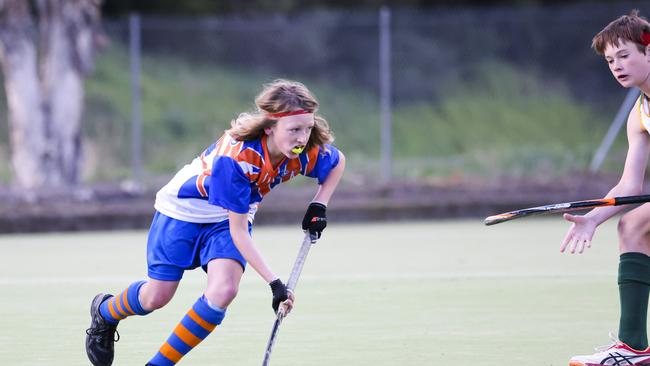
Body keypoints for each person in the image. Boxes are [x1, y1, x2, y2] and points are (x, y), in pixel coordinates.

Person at [84, 79, 346, 366]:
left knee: (223, 290)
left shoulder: (300, 152)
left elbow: (336, 162)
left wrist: (319, 204)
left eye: (307, 129)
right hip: (182, 213)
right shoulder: (236, 160)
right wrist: (275, 284)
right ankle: (105, 312)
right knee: (156, 297)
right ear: (270, 127)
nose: (302, 138)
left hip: (226, 219)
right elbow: (239, 234)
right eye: (294, 130)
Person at [560, 10, 650, 366]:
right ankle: (633, 347)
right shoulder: (640, 114)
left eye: (624, 55)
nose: (616, 65)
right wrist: (593, 219)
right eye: (610, 60)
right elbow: (630, 183)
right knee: (632, 225)